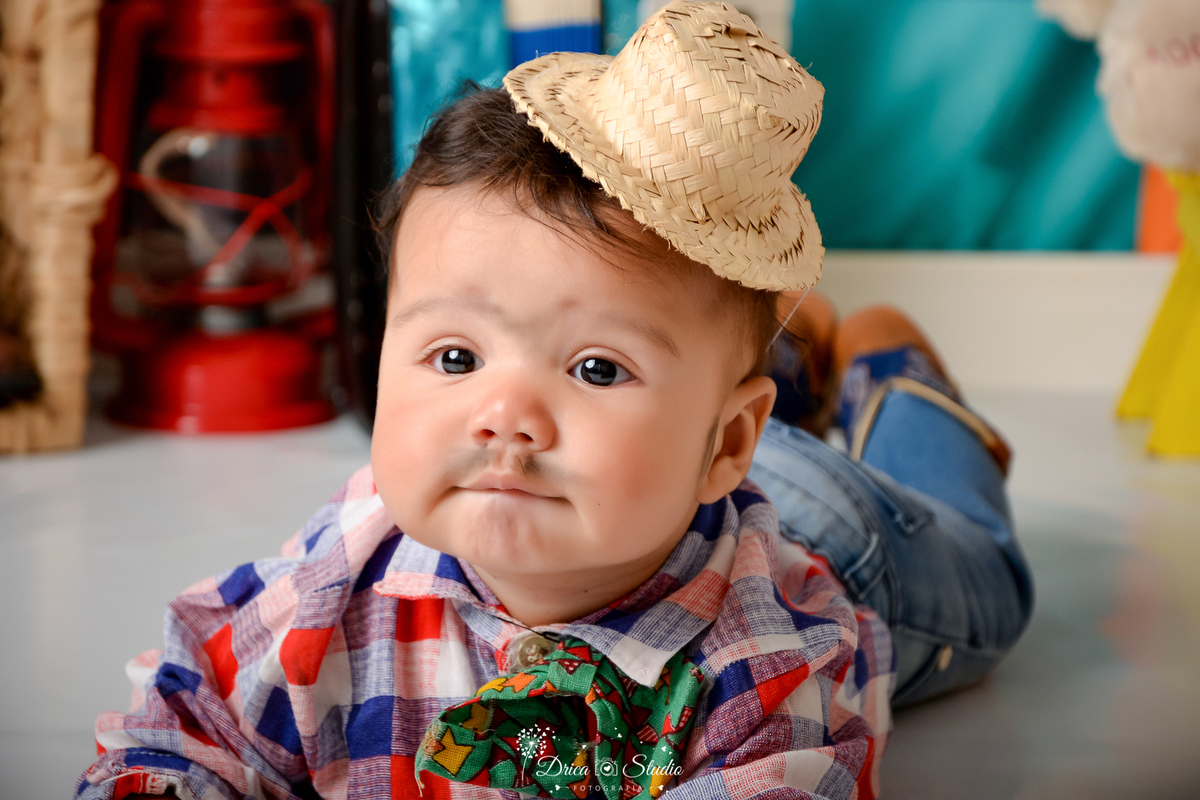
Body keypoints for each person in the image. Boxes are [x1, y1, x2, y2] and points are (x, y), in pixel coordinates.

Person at [77, 3, 1032, 799]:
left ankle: (886, 364)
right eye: (455, 356)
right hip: (669, 462)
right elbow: (187, 712)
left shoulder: (767, 673)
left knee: (989, 570)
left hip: (852, 534)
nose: (504, 416)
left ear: (726, 440)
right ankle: (783, 349)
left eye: (596, 369)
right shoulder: (346, 575)